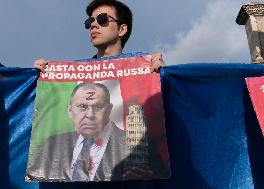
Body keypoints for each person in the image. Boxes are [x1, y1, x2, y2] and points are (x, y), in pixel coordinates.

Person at [26, 82, 169, 181]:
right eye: (82, 106)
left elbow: (164, 181)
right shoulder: (51, 145)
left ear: (109, 109)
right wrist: (35, 76)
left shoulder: (139, 145)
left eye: (98, 107)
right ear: (70, 110)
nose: (89, 114)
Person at [33, 0, 165, 73]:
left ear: (122, 29)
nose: (93, 25)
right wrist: (37, 80)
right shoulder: (74, 74)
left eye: (102, 19)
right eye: (90, 21)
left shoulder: (144, 68)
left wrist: (164, 77)